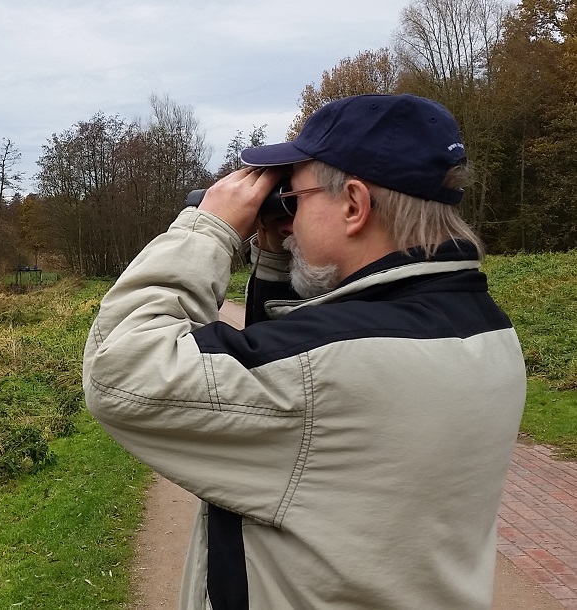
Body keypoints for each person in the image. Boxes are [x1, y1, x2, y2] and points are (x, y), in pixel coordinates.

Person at [82, 94, 526, 609]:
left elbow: (120, 366)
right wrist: (276, 260)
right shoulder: (485, 328)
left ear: (354, 205)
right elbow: (301, 343)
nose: (286, 218)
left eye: (295, 198)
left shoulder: (326, 368)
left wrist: (209, 228)